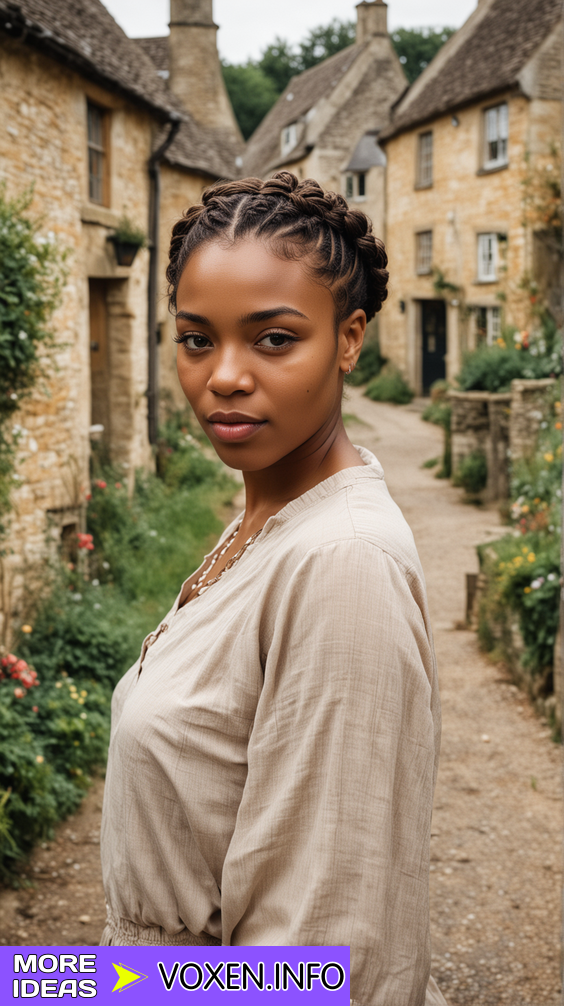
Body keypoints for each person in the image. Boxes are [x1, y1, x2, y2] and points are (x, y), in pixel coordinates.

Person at [100, 171, 447, 1006]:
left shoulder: (342, 563)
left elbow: (310, 965)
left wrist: (44, 982)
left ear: (350, 338)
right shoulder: (262, 517)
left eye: (274, 339)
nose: (223, 376)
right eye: (195, 339)